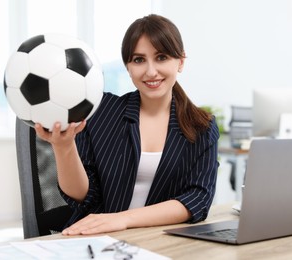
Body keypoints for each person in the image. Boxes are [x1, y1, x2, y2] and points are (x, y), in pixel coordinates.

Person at [35, 14, 220, 235]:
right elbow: (84, 197)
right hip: (94, 238)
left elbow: (197, 199)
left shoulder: (202, 127)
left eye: (161, 57)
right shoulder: (100, 111)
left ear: (180, 62)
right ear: (128, 67)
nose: (151, 71)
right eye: (139, 60)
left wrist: (123, 219)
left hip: (158, 241)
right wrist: (63, 147)